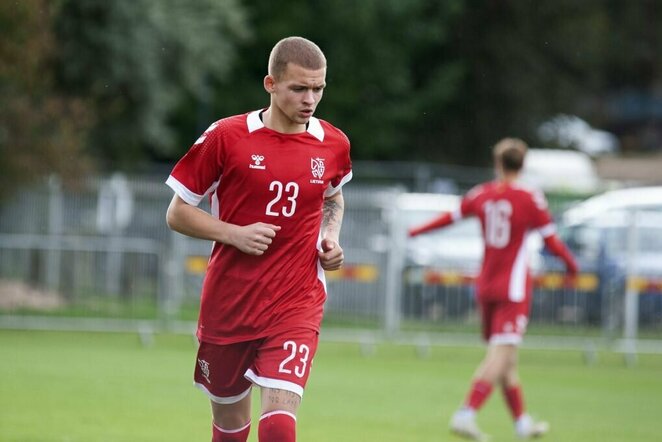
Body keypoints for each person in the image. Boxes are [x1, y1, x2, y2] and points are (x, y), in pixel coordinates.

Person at [165, 36, 352, 442]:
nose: (310, 99)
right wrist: (234, 234)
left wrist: (330, 237)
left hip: (295, 303)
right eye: (299, 88)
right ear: (270, 84)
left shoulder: (333, 143)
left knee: (280, 428)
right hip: (229, 306)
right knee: (231, 433)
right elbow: (177, 213)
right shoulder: (226, 137)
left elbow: (334, 195)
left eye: (318, 88)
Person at [408, 138, 578, 441]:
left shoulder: (481, 194)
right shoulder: (529, 198)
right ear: (522, 165)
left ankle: (522, 424)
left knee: (507, 359)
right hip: (512, 288)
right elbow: (551, 240)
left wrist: (416, 230)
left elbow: (450, 218)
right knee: (501, 354)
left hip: (485, 284)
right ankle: (466, 413)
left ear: (497, 164)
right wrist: (572, 266)